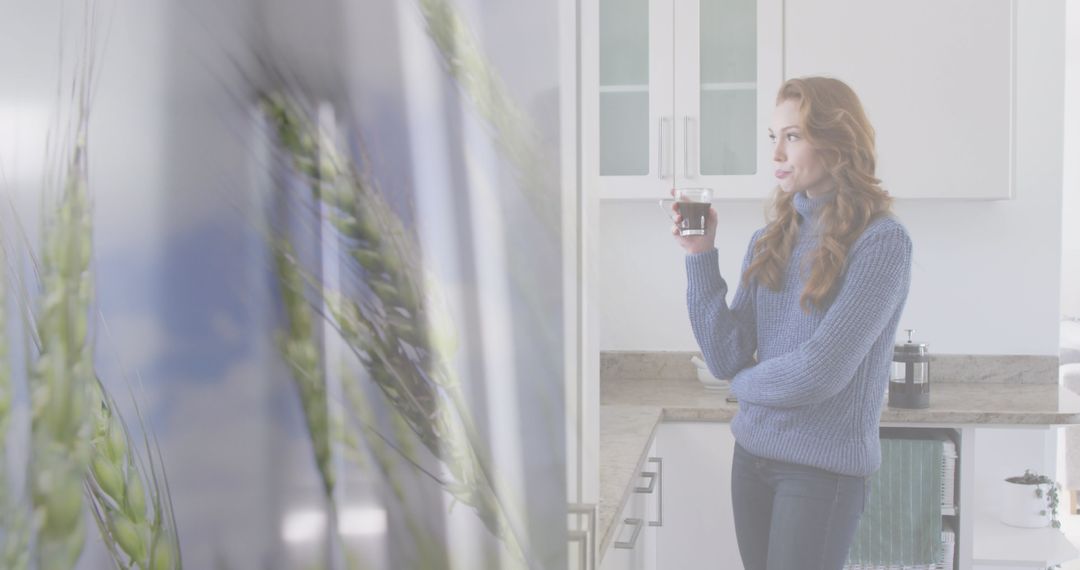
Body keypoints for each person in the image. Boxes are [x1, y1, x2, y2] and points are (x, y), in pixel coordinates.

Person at [669, 76, 913, 570]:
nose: (776, 153)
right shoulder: (771, 238)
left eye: (793, 136)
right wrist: (700, 255)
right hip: (752, 456)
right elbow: (726, 355)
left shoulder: (882, 242)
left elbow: (821, 370)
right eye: (772, 137)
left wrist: (741, 385)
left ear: (838, 141)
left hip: (822, 472)